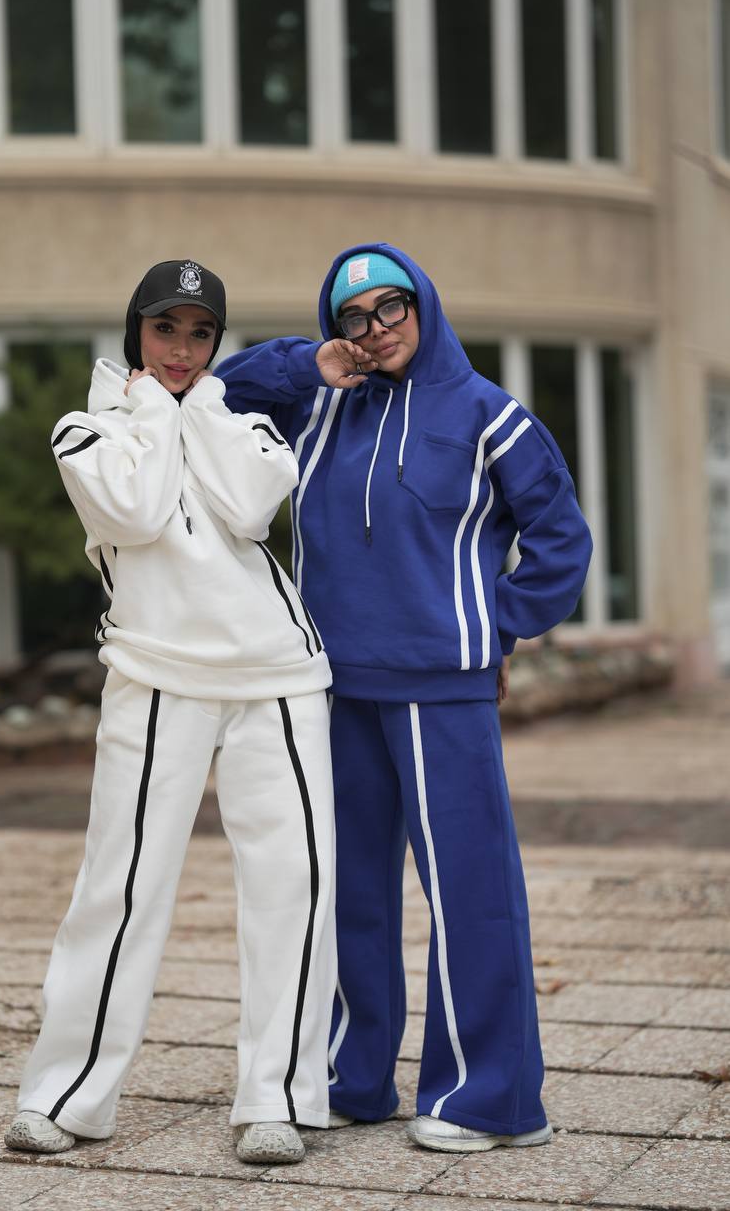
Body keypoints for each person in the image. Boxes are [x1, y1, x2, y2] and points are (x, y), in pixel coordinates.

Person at [215, 243, 593, 1153]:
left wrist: (493, 625)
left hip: (441, 692)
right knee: (348, 892)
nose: (376, 329)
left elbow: (560, 539)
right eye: (353, 317)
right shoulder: (318, 407)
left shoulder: (488, 415)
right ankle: (353, 1076)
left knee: (470, 894)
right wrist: (308, 364)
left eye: (391, 308)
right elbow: (218, 393)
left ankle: (489, 1098)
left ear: (422, 305)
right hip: (333, 684)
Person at [4, 259, 336, 1166]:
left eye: (199, 334)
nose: (181, 350)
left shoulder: (246, 425)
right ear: (135, 333)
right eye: (165, 330)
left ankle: (276, 1098)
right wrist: (151, 406)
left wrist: (201, 409)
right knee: (118, 887)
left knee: (294, 889)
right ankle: (67, 1097)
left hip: (279, 678)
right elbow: (138, 513)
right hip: (155, 677)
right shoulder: (86, 431)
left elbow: (248, 508)